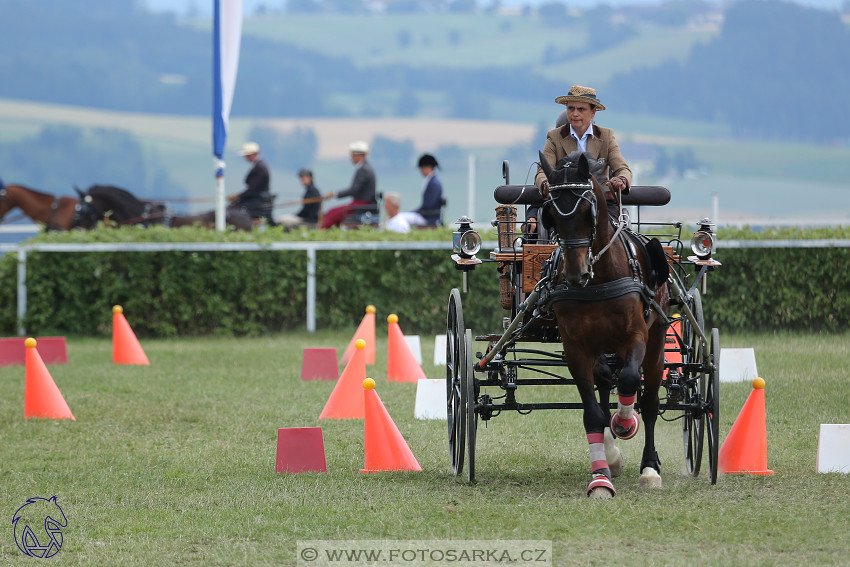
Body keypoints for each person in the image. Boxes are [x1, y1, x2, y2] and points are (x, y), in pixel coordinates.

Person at [526, 85, 632, 239]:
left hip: (601, 203)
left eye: (581, 109)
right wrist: (546, 185)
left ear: (593, 112)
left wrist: (621, 180)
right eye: (571, 108)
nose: (575, 114)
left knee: (613, 236)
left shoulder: (606, 136)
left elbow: (622, 168)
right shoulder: (554, 137)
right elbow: (542, 171)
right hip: (566, 201)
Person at [320, 141, 377, 229]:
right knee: (332, 213)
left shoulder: (363, 170)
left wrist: (335, 194)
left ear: (359, 155)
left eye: (353, 155)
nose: (351, 158)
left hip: (360, 204)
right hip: (360, 204)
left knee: (332, 214)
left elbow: (354, 190)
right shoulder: (365, 168)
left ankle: (322, 234)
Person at [232, 142, 276, 226]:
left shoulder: (260, 167)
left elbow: (253, 189)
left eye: (247, 155)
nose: (246, 157)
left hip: (258, 198)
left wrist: (238, 196)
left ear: (254, 154)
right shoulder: (258, 166)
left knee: (238, 207)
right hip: (256, 197)